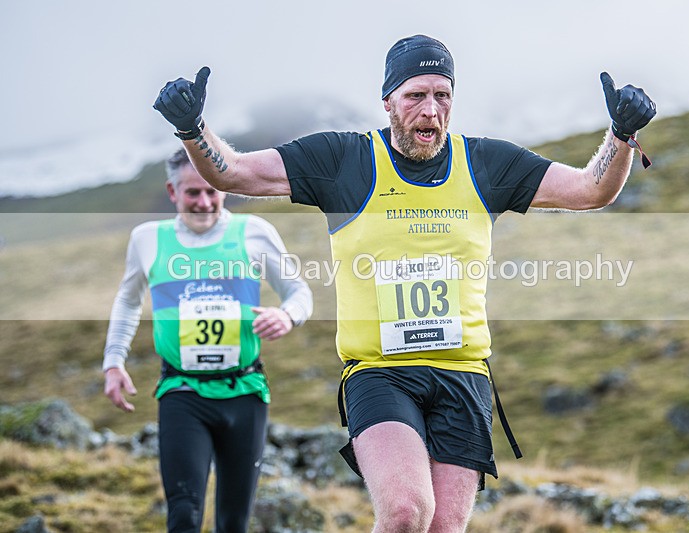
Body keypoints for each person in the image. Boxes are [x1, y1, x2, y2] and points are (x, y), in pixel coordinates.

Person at [153, 34, 656, 533]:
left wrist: (621, 135)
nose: (431, 110)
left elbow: (589, 191)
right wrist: (193, 129)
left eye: (442, 95)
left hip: (463, 373)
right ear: (388, 101)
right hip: (380, 372)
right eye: (416, 95)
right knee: (405, 512)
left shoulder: (486, 164)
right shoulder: (344, 160)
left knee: (443, 528)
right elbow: (236, 174)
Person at [102, 148, 313, 533]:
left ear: (223, 188)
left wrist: (287, 315)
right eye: (192, 193)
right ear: (173, 192)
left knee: (233, 522)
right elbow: (128, 301)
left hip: (244, 393)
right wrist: (113, 362)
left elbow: (299, 292)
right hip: (182, 393)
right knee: (184, 514)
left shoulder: (253, 232)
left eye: (211, 191)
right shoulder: (148, 239)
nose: (203, 202)